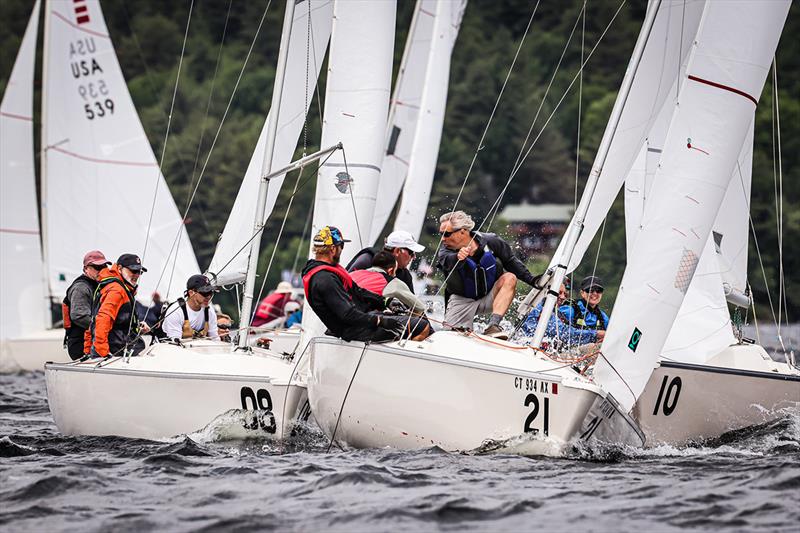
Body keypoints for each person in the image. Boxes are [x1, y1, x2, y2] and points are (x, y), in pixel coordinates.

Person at [302, 225, 431, 342]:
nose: (342, 250)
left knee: (397, 319)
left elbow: (358, 291)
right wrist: (380, 321)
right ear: (333, 249)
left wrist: (386, 301)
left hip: (358, 321)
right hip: (354, 330)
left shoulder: (327, 271)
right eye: (342, 246)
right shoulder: (324, 279)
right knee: (421, 325)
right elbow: (347, 314)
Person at [437, 210, 541, 339]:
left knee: (510, 277)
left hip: (490, 295)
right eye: (441, 234)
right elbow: (447, 261)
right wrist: (458, 257)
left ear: (463, 231)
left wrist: (532, 281)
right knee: (450, 338)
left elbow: (510, 261)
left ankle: (493, 326)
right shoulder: (444, 251)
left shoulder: (491, 241)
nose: (443, 238)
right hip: (461, 301)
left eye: (446, 234)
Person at [85, 254, 150, 358]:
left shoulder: (121, 287)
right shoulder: (117, 290)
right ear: (119, 269)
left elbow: (96, 321)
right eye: (133, 271)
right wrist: (102, 353)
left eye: (139, 272)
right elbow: (102, 319)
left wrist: (137, 328)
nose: (137, 275)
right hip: (115, 354)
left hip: (119, 351)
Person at [519, 282, 604, 346]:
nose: (563, 297)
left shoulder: (556, 312)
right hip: (527, 347)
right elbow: (563, 334)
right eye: (559, 293)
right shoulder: (542, 309)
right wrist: (596, 334)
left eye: (565, 294)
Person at [61, 250, 111, 359]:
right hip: (81, 344)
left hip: (93, 342)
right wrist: (106, 327)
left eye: (104, 267)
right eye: (97, 267)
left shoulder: (97, 285)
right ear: (86, 269)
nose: (101, 271)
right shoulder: (81, 288)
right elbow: (79, 316)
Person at [350, 250, 427, 316]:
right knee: (423, 326)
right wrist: (406, 316)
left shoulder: (351, 274)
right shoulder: (392, 282)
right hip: (363, 324)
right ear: (391, 271)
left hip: (344, 317)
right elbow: (420, 307)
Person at [346, 230, 425, 293]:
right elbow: (342, 288)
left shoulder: (405, 276)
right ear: (397, 251)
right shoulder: (366, 261)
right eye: (411, 253)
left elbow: (412, 306)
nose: (414, 257)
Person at [161, 275, 220, 341]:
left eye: (211, 292)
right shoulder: (176, 312)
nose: (209, 297)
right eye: (205, 293)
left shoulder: (209, 311)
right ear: (191, 293)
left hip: (197, 349)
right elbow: (175, 344)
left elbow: (215, 339)